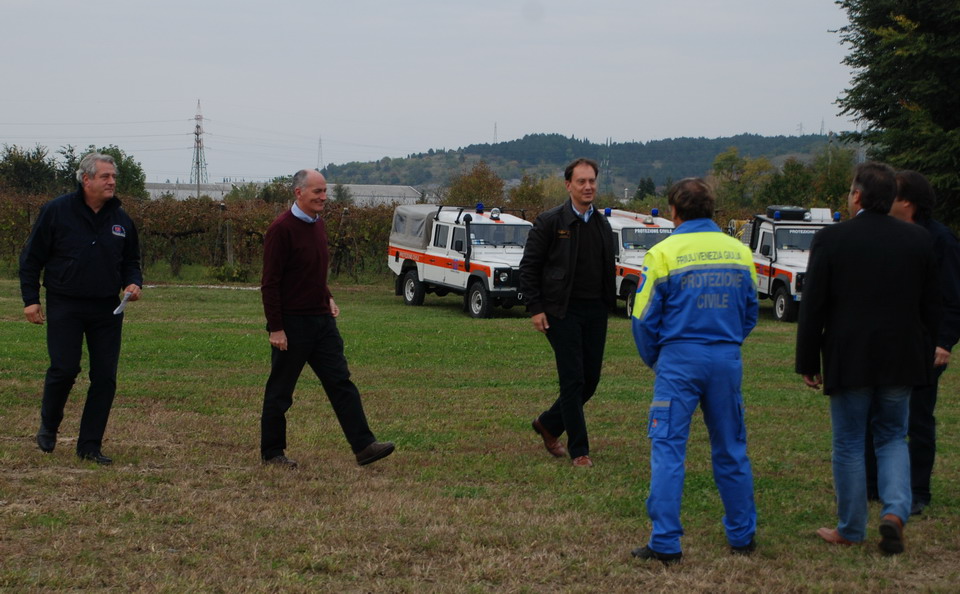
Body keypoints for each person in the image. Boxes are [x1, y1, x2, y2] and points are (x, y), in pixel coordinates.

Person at [796, 162, 939, 555]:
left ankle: (851, 527)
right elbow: (931, 305)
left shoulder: (832, 238)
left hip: (850, 355)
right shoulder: (919, 239)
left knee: (848, 442)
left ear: (857, 196)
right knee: (893, 436)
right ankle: (895, 510)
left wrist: (807, 360)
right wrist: (925, 350)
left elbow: (814, 305)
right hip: (902, 355)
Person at [630, 178, 759, 564]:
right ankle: (742, 535)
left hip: (678, 360)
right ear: (712, 210)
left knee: (668, 447)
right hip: (726, 358)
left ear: (673, 211)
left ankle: (665, 542)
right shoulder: (740, 252)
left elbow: (642, 318)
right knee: (731, 448)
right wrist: (727, 343)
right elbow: (750, 311)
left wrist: (657, 359)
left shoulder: (662, 253)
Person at [259, 169, 394, 468]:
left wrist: (327, 296)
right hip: (292, 325)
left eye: (324, 191)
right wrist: (276, 328)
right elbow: (270, 283)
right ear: (299, 193)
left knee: (340, 382)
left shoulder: (318, 225)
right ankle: (272, 453)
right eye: (317, 191)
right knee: (281, 391)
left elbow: (313, 271)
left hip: (322, 322)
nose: (324, 197)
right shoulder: (281, 229)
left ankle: (364, 447)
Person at [19, 152, 143, 465]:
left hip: (107, 309)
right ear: (86, 179)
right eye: (105, 176)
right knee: (64, 368)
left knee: (105, 377)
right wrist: (30, 300)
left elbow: (131, 261)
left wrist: (133, 283)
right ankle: (49, 424)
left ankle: (89, 445)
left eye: (113, 177)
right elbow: (31, 259)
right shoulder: (57, 211)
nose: (112, 182)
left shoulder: (121, 219)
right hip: (65, 303)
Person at [865, 170, 960, 515]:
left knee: (918, 419)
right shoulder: (887, 233)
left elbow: (953, 298)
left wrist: (944, 343)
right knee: (875, 414)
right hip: (887, 341)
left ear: (908, 202)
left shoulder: (941, 240)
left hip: (924, 346)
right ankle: (873, 485)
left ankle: (918, 490)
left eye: (893, 193)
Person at [518, 157, 616, 467]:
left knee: (590, 380)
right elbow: (529, 267)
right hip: (561, 311)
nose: (588, 187)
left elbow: (606, 268)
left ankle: (548, 423)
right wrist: (535, 308)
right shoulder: (550, 222)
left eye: (592, 181)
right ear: (568, 185)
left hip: (595, 311)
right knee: (573, 380)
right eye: (581, 181)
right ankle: (580, 450)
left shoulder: (602, 224)